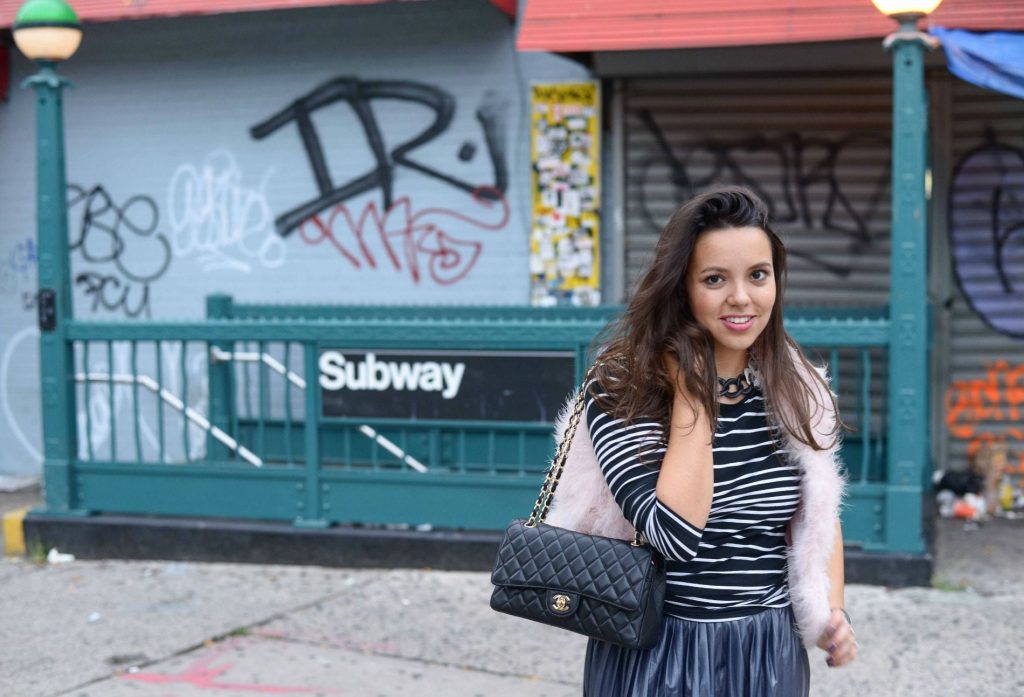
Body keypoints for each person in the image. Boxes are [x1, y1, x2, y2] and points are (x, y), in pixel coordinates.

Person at [563, 186, 857, 696]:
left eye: (758, 276)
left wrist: (831, 613)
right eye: (715, 279)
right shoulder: (622, 390)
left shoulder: (796, 388)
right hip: (656, 653)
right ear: (682, 290)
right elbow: (673, 533)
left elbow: (817, 519)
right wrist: (692, 391)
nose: (741, 298)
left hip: (767, 654)